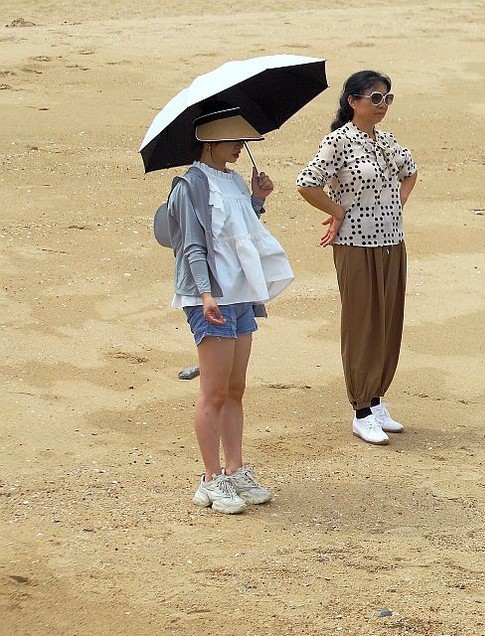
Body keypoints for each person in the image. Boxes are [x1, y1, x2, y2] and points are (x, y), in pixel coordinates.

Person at [165, 107, 294, 514]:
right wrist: (205, 295)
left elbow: (240, 232)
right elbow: (192, 245)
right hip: (212, 299)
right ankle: (210, 479)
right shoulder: (190, 186)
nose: (240, 147)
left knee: (235, 388)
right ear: (210, 141)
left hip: (240, 295)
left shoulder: (234, 181)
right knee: (214, 392)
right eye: (234, 140)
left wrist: (257, 199)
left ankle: (235, 470)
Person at [296, 70, 418, 445]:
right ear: (353, 101)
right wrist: (338, 211)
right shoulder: (338, 141)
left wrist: (396, 205)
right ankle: (361, 410)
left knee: (388, 322)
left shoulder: (387, 140)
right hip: (355, 245)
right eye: (375, 98)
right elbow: (307, 183)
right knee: (362, 323)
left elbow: (411, 172)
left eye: (387, 98)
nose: (382, 105)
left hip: (392, 241)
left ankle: (377, 400)